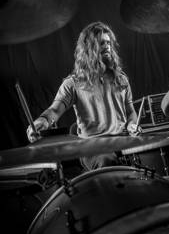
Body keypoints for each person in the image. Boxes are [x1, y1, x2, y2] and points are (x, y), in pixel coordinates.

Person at [27, 21, 139, 171]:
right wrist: (42, 121)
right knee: (108, 162)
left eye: (108, 42)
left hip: (122, 141)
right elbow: (54, 110)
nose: (107, 46)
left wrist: (132, 124)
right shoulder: (73, 83)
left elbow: (130, 111)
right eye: (101, 43)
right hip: (93, 148)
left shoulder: (121, 79)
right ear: (88, 49)